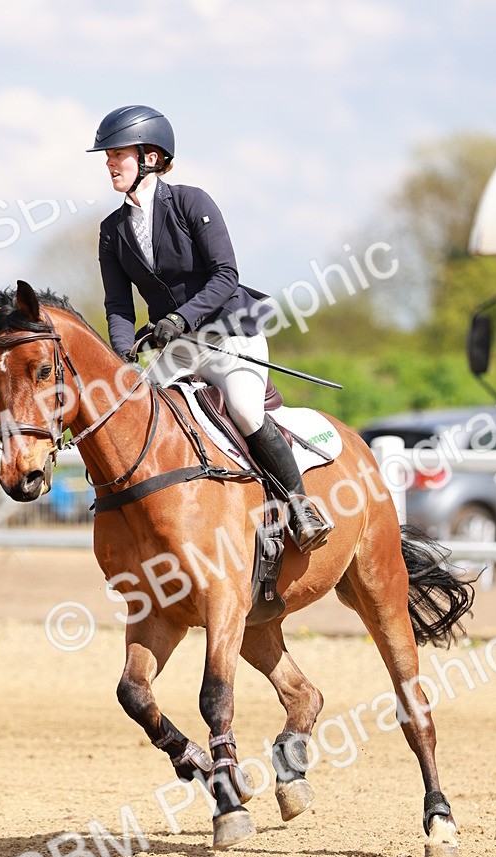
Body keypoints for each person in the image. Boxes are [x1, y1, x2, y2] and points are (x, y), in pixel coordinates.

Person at [89, 104, 333, 553]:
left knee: (243, 409)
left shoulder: (190, 202)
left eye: (116, 154)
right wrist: (122, 356)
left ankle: (301, 506)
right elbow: (118, 304)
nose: (108, 163)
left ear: (150, 157)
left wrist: (180, 319)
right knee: (141, 419)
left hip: (230, 334)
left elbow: (225, 274)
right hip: (175, 350)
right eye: (106, 156)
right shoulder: (112, 230)